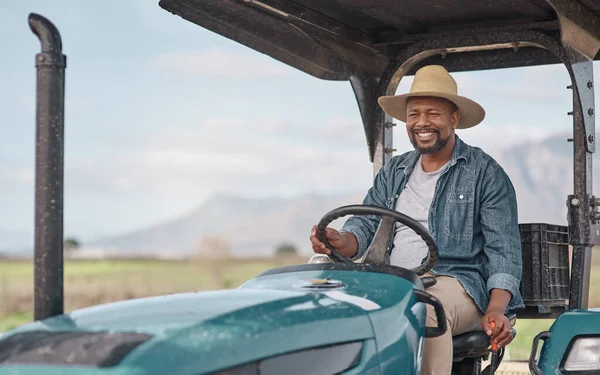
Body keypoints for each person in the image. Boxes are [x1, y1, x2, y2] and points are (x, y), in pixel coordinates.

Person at [309, 65, 524, 375]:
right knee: (324, 299)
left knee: (424, 309)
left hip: (458, 284)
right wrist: (340, 240)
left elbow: (504, 252)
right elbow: (366, 225)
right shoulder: (394, 171)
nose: (422, 122)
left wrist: (496, 309)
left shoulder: (484, 174)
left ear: (453, 119)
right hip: (393, 280)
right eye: (414, 114)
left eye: (433, 114)